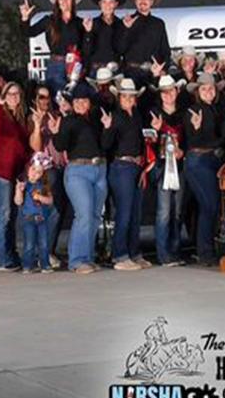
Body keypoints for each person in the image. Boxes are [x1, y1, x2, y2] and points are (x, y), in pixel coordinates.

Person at [52, 83, 110, 273]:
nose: (80, 104)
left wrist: (107, 128)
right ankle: (76, 260)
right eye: (76, 101)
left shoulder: (96, 119)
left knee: (94, 216)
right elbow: (60, 146)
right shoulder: (69, 121)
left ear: (89, 103)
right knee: (84, 214)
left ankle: (87, 257)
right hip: (78, 170)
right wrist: (56, 131)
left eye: (83, 101)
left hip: (99, 168)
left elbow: (106, 145)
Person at [103, 78, 148, 271]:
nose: (129, 99)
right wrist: (107, 128)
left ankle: (133, 252)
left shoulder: (137, 116)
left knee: (135, 213)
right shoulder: (115, 116)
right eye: (125, 96)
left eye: (132, 96)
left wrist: (144, 167)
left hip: (136, 166)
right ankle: (120, 255)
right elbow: (106, 145)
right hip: (121, 166)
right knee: (125, 211)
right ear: (119, 97)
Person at [0, 82, 30, 271]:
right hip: (2, 174)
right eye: (10, 94)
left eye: (16, 94)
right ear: (4, 96)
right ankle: (2, 260)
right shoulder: (1, 115)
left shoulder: (20, 118)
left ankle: (12, 255)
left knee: (12, 217)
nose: (13, 97)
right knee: (3, 216)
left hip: (17, 174)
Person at [183, 73, 224, 266]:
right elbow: (193, 140)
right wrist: (197, 128)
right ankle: (205, 251)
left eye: (211, 88)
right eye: (204, 88)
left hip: (210, 160)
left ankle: (206, 249)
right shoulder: (193, 110)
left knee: (210, 206)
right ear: (198, 92)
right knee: (209, 205)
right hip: (198, 160)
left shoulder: (215, 110)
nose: (208, 91)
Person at [147, 75, 188, 266]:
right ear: (161, 95)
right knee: (164, 211)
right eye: (165, 92)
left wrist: (183, 151)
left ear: (176, 92)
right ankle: (163, 254)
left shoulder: (184, 114)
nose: (168, 95)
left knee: (177, 211)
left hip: (179, 166)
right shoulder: (154, 114)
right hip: (163, 167)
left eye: (171, 90)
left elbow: (189, 139)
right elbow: (147, 143)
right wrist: (155, 135)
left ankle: (175, 251)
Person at [20, 0, 87, 93]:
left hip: (75, 66)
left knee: (75, 98)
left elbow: (85, 47)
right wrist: (25, 18)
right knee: (56, 98)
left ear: (73, 1)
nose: (64, 1)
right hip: (56, 65)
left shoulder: (80, 23)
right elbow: (28, 32)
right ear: (57, 1)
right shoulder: (49, 21)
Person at [29, 83, 69, 269]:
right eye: (41, 97)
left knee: (59, 211)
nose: (45, 101)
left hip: (61, 167)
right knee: (50, 211)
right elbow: (36, 147)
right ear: (35, 99)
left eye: (47, 97)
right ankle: (43, 253)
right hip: (45, 171)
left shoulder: (57, 116)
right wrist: (38, 126)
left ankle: (48, 250)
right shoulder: (32, 118)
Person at [118, 0, 172, 81]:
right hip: (131, 75)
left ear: (152, 1)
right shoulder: (125, 22)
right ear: (135, 1)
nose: (142, 1)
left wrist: (163, 70)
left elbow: (166, 51)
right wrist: (126, 29)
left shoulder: (159, 24)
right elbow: (120, 50)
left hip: (154, 74)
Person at [15, 152, 56, 274]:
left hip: (42, 218)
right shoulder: (24, 185)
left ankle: (45, 264)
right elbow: (18, 201)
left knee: (44, 243)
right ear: (28, 169)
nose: (35, 174)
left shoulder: (43, 186)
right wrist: (18, 190)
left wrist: (40, 197)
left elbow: (50, 200)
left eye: (39, 172)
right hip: (28, 218)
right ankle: (27, 265)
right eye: (33, 170)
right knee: (29, 243)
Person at [83, 0, 127, 77]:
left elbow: (122, 50)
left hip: (115, 71)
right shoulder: (91, 24)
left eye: (111, 2)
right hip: (95, 72)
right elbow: (86, 51)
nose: (107, 6)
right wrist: (88, 32)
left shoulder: (121, 24)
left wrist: (126, 30)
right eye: (104, 2)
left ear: (116, 4)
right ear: (100, 4)